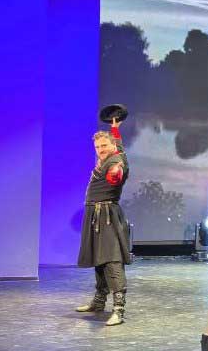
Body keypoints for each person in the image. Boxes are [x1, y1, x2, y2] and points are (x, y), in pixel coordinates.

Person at [74, 116, 131, 326]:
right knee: (99, 259)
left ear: (111, 146)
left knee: (112, 260)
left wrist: (115, 174)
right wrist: (114, 129)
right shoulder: (114, 154)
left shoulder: (116, 163)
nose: (100, 150)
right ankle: (99, 301)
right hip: (95, 215)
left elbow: (118, 170)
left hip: (107, 216)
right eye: (97, 147)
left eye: (104, 145)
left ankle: (119, 309)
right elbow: (120, 148)